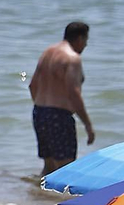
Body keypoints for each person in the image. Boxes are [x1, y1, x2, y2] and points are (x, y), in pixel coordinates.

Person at [30, 21, 94, 175]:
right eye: (86, 40)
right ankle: (59, 199)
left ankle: (39, 197)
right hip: (59, 116)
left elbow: (32, 85)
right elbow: (73, 93)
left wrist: (44, 111)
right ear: (79, 38)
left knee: (49, 167)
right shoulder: (72, 58)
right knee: (66, 169)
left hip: (39, 112)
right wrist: (88, 125)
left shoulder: (47, 52)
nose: (86, 45)